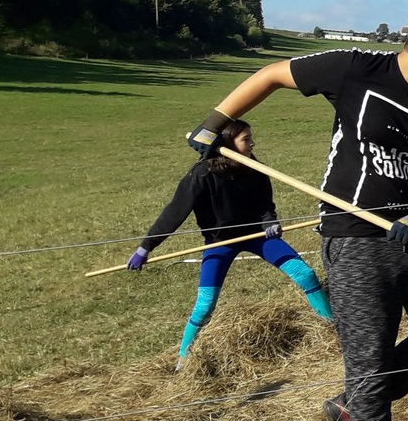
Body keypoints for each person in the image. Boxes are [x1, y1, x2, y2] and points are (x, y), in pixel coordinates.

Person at [185, 1, 408, 421]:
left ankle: (352, 407)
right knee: (369, 353)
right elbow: (275, 74)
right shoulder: (357, 68)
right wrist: (216, 120)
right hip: (353, 235)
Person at [128, 119, 332, 372]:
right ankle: (183, 358)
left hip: (258, 236)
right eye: (246, 139)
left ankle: (330, 328)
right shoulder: (201, 175)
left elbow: (265, 205)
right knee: (206, 303)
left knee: (306, 274)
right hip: (220, 242)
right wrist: (145, 248)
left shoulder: (254, 166)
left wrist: (270, 222)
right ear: (227, 144)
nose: (252, 143)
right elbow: (173, 214)